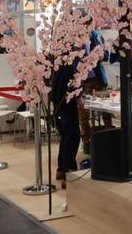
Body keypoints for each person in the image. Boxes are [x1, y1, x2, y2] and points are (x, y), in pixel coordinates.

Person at [79, 29, 112, 152]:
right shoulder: (75, 38)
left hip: (97, 78)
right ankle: (86, 141)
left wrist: (101, 56)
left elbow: (106, 55)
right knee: (83, 111)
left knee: (107, 107)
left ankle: (110, 134)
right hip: (82, 81)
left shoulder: (96, 36)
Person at [51, 57, 80, 189]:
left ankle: (62, 169)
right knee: (72, 135)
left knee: (66, 136)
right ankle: (69, 172)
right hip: (66, 102)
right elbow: (68, 84)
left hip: (59, 102)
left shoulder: (60, 58)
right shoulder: (69, 61)